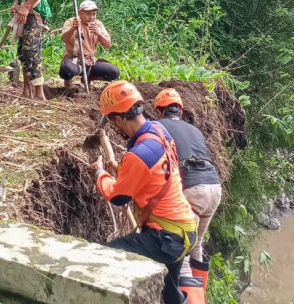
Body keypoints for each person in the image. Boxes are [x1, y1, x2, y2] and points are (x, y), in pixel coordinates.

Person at [90, 80, 199, 304]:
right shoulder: (160, 131)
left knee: (104, 256)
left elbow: (118, 197)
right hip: (185, 229)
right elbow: (156, 174)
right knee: (170, 294)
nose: (114, 126)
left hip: (166, 237)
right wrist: (123, 171)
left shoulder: (138, 154)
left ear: (119, 119)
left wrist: (100, 173)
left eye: (113, 121)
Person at [155, 87, 222, 294]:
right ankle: (200, 296)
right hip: (214, 187)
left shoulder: (156, 126)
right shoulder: (195, 130)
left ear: (159, 111)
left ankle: (186, 298)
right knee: (197, 243)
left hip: (192, 189)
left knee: (181, 250)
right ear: (180, 112)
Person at [59, 0, 119, 87]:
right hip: (74, 60)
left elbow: (108, 45)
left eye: (94, 14)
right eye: (87, 14)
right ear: (80, 13)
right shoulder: (72, 22)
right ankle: (68, 82)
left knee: (114, 71)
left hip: (90, 62)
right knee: (66, 69)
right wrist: (73, 28)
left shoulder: (98, 24)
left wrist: (99, 34)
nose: (91, 17)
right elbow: (64, 38)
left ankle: (88, 77)